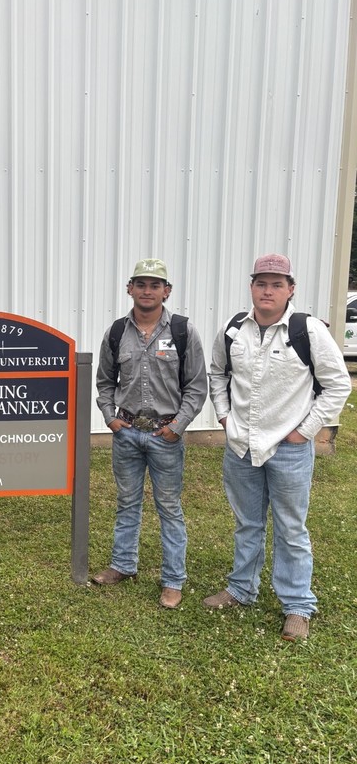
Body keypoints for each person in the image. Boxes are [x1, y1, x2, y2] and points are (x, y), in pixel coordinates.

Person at [205, 253, 351, 640]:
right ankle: (241, 588)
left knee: (290, 529)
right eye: (261, 283)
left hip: (289, 449)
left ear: (291, 289)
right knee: (247, 523)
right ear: (252, 286)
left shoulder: (307, 331)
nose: (267, 290)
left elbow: (338, 384)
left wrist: (305, 431)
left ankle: (298, 605)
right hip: (241, 447)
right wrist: (224, 416)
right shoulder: (233, 330)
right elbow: (217, 373)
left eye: (276, 284)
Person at [93, 259, 208, 608]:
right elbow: (105, 382)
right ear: (129, 288)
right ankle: (123, 565)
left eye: (155, 285)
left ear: (166, 291)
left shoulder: (184, 332)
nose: (147, 291)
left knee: (169, 507)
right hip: (126, 433)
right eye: (141, 284)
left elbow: (196, 387)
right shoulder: (116, 332)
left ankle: (173, 581)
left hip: (165, 436)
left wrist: (176, 427)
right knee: (126, 502)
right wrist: (110, 418)